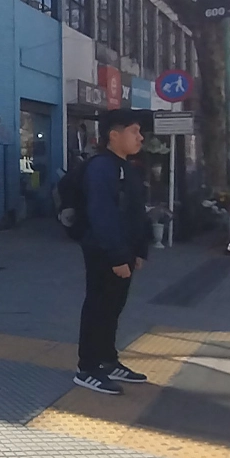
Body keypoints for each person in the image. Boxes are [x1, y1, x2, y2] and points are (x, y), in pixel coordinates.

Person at [74, 109, 152, 395]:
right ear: (114, 136)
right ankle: (87, 368)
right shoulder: (101, 168)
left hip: (124, 251)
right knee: (98, 307)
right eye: (134, 131)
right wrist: (117, 255)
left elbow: (136, 213)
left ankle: (108, 359)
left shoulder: (127, 167)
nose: (140, 137)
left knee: (113, 308)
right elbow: (102, 214)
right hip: (104, 251)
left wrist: (140, 249)